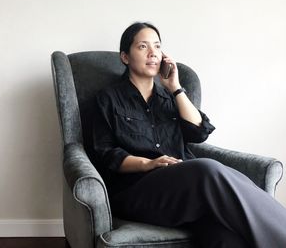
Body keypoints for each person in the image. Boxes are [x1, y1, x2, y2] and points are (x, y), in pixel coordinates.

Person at [91, 22, 286, 248]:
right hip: (137, 192)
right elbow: (105, 154)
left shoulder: (169, 98)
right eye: (143, 47)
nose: (153, 53)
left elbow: (200, 131)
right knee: (207, 169)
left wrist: (175, 87)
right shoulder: (108, 98)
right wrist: (148, 163)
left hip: (185, 190)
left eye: (157, 46)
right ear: (125, 57)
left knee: (226, 236)